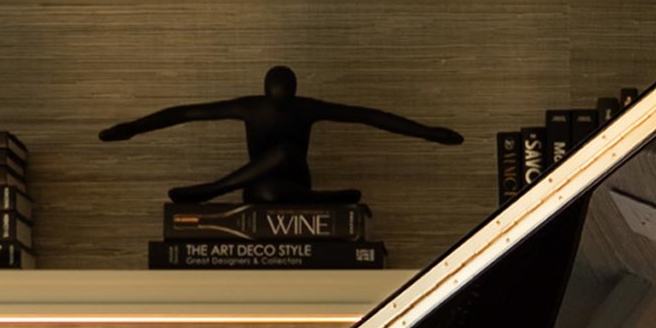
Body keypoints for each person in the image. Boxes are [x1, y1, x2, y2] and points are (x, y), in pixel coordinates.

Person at [100, 64, 460, 209]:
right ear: (266, 93)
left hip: (294, 171)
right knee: (260, 195)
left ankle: (212, 190)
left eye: (286, 99)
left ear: (294, 93)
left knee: (287, 151)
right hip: (269, 184)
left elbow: (367, 116)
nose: (282, 105)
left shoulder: (307, 108)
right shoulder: (248, 107)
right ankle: (326, 201)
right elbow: (185, 113)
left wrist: (427, 133)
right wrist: (131, 129)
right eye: (277, 100)